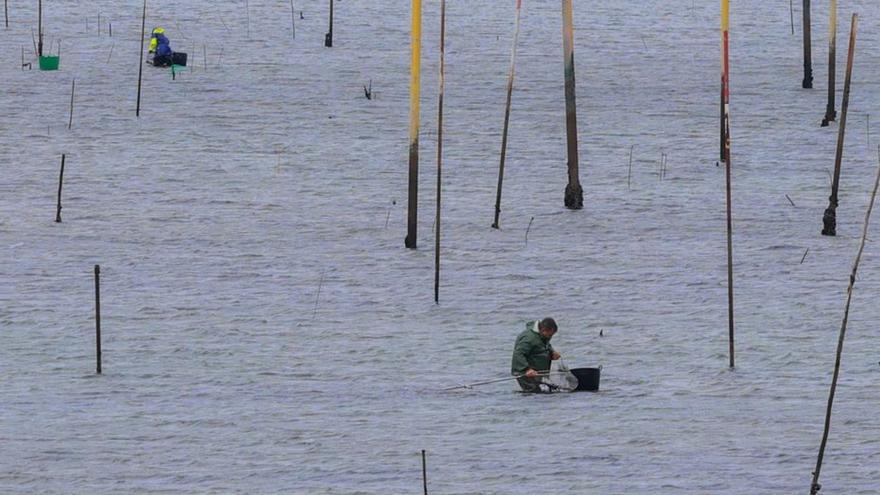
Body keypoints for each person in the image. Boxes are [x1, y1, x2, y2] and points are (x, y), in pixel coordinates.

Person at [511, 317, 562, 393]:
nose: (550, 337)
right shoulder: (529, 338)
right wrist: (526, 369)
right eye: (550, 335)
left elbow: (544, 346)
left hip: (538, 373)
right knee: (534, 393)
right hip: (526, 374)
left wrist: (552, 353)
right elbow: (518, 354)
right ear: (543, 330)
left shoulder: (542, 335)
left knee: (546, 393)